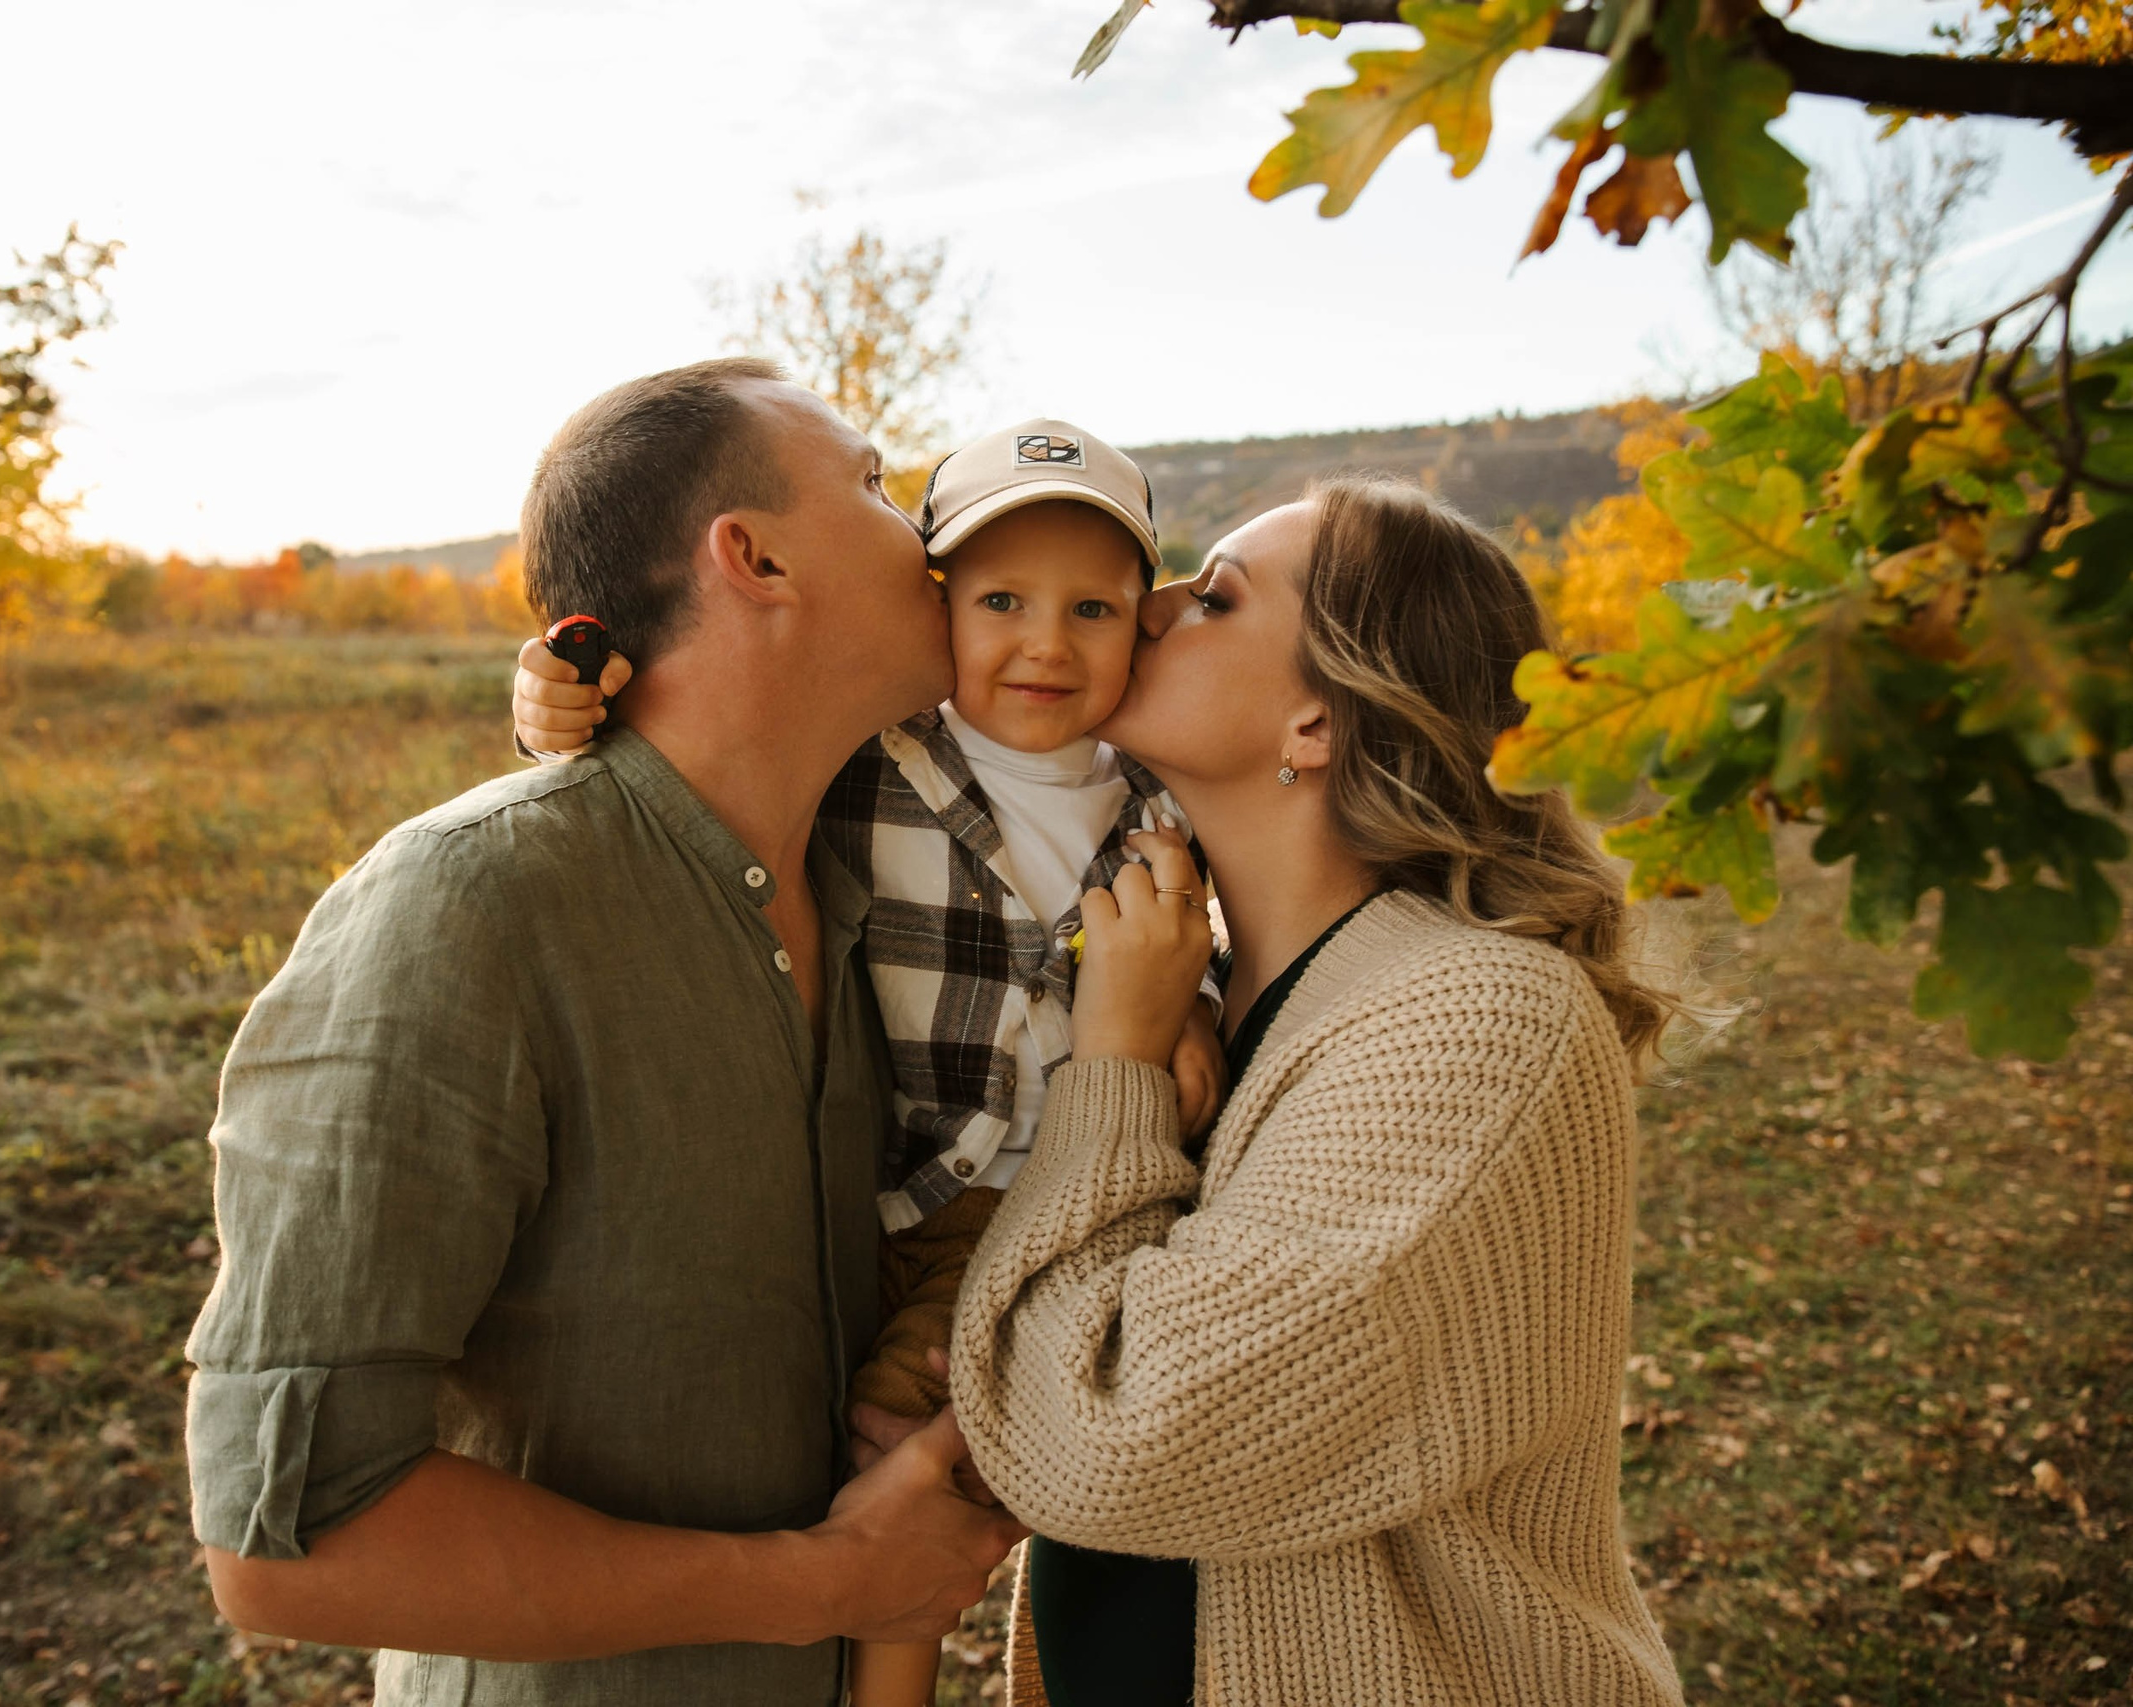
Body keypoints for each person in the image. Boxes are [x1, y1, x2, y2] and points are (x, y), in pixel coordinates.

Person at [183, 357, 1025, 1707]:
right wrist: (826, 1578)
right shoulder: (467, 908)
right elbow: (293, 1544)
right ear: (751, 557)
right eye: (872, 487)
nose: (922, 533)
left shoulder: (889, 900)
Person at [513, 418, 1229, 1707]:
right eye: (1000, 600)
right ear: (939, 604)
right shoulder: (873, 752)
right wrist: (548, 708)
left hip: (1051, 1190)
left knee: (916, 1441)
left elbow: (1197, 949)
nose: (1045, 644)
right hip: (877, 1178)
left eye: (1093, 609)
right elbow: (697, 753)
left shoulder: (1158, 794)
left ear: (1145, 620)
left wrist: (1198, 1026)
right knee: (876, 1449)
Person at [941, 476, 1689, 1706]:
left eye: (1218, 595)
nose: (1157, 601)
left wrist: (1117, 1066)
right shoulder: (1216, 999)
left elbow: (1109, 1439)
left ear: (1316, 725)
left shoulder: (1484, 1019)